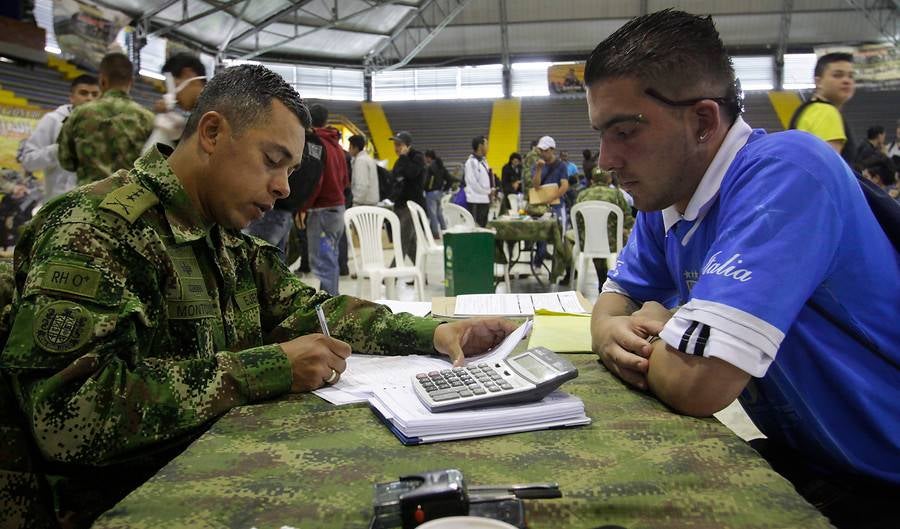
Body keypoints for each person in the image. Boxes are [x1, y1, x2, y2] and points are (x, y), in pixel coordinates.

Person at [0, 64, 516, 529]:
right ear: (212, 133)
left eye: (290, 170)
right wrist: (265, 368)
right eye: (273, 161)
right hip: (131, 505)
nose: (283, 189)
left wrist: (434, 331)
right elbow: (67, 413)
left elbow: (315, 311)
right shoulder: (96, 231)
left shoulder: (222, 238)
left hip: (216, 475)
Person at [584, 10, 899, 529]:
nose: (605, 159)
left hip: (881, 482)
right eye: (601, 135)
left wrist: (667, 335)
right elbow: (611, 305)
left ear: (704, 121)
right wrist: (615, 331)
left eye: (623, 132)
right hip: (815, 461)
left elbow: (698, 384)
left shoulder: (788, 170)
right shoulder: (667, 200)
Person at [58, 52, 154, 186]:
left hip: (89, 201)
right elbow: (152, 166)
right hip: (131, 202)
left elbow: (66, 162)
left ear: (102, 81)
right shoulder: (147, 118)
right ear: (131, 83)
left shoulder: (79, 114)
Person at [18, 74, 99, 200]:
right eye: (84, 93)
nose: (89, 98)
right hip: (58, 204)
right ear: (71, 97)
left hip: (93, 205)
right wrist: (61, 149)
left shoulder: (106, 126)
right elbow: (28, 162)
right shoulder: (52, 120)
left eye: (95, 94)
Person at [303, 104, 349, 296]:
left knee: (322, 262)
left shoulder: (315, 144)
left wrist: (304, 206)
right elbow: (346, 179)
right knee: (331, 258)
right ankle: (331, 301)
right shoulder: (337, 145)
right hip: (337, 209)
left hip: (322, 211)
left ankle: (330, 308)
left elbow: (316, 179)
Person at [788, 52, 856, 166]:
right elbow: (830, 169)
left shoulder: (808, 110)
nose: (846, 80)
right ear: (818, 82)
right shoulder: (825, 112)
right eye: (837, 75)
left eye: (851, 76)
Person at [574, 168, 634, 286]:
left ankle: (601, 280)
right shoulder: (616, 194)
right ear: (609, 179)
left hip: (589, 243)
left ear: (592, 180)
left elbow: (577, 219)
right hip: (612, 243)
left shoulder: (582, 194)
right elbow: (627, 217)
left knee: (594, 243)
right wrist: (625, 229)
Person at [143, 53, 207, 152]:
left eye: (171, 85)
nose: (173, 95)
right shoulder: (198, 116)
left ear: (188, 74)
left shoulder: (219, 110)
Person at [388, 131, 426, 264]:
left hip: (412, 206)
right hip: (399, 205)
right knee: (410, 243)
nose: (396, 148)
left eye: (399, 145)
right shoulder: (400, 161)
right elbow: (395, 178)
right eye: (395, 145)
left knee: (402, 241)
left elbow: (411, 173)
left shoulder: (417, 157)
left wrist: (404, 158)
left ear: (408, 146)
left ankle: (392, 275)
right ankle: (420, 272)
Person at [464, 135, 492, 227]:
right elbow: (472, 183)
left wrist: (491, 190)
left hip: (484, 200)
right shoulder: (471, 162)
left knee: (483, 226)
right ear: (480, 146)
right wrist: (487, 191)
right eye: (486, 144)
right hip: (475, 200)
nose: (488, 147)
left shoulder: (484, 161)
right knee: (476, 227)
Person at [348, 135, 378, 206]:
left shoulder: (360, 161)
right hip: (369, 202)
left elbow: (362, 185)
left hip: (363, 204)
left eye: (350, 147)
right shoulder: (367, 158)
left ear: (356, 148)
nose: (348, 149)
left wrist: (355, 200)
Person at [423, 149, 448, 236]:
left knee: (432, 214)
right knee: (439, 213)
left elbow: (426, 180)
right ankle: (445, 230)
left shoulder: (430, 167)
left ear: (428, 157)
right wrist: (445, 189)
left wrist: (425, 188)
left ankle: (435, 233)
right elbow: (449, 178)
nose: (425, 160)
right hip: (439, 192)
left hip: (431, 193)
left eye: (425, 158)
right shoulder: (441, 166)